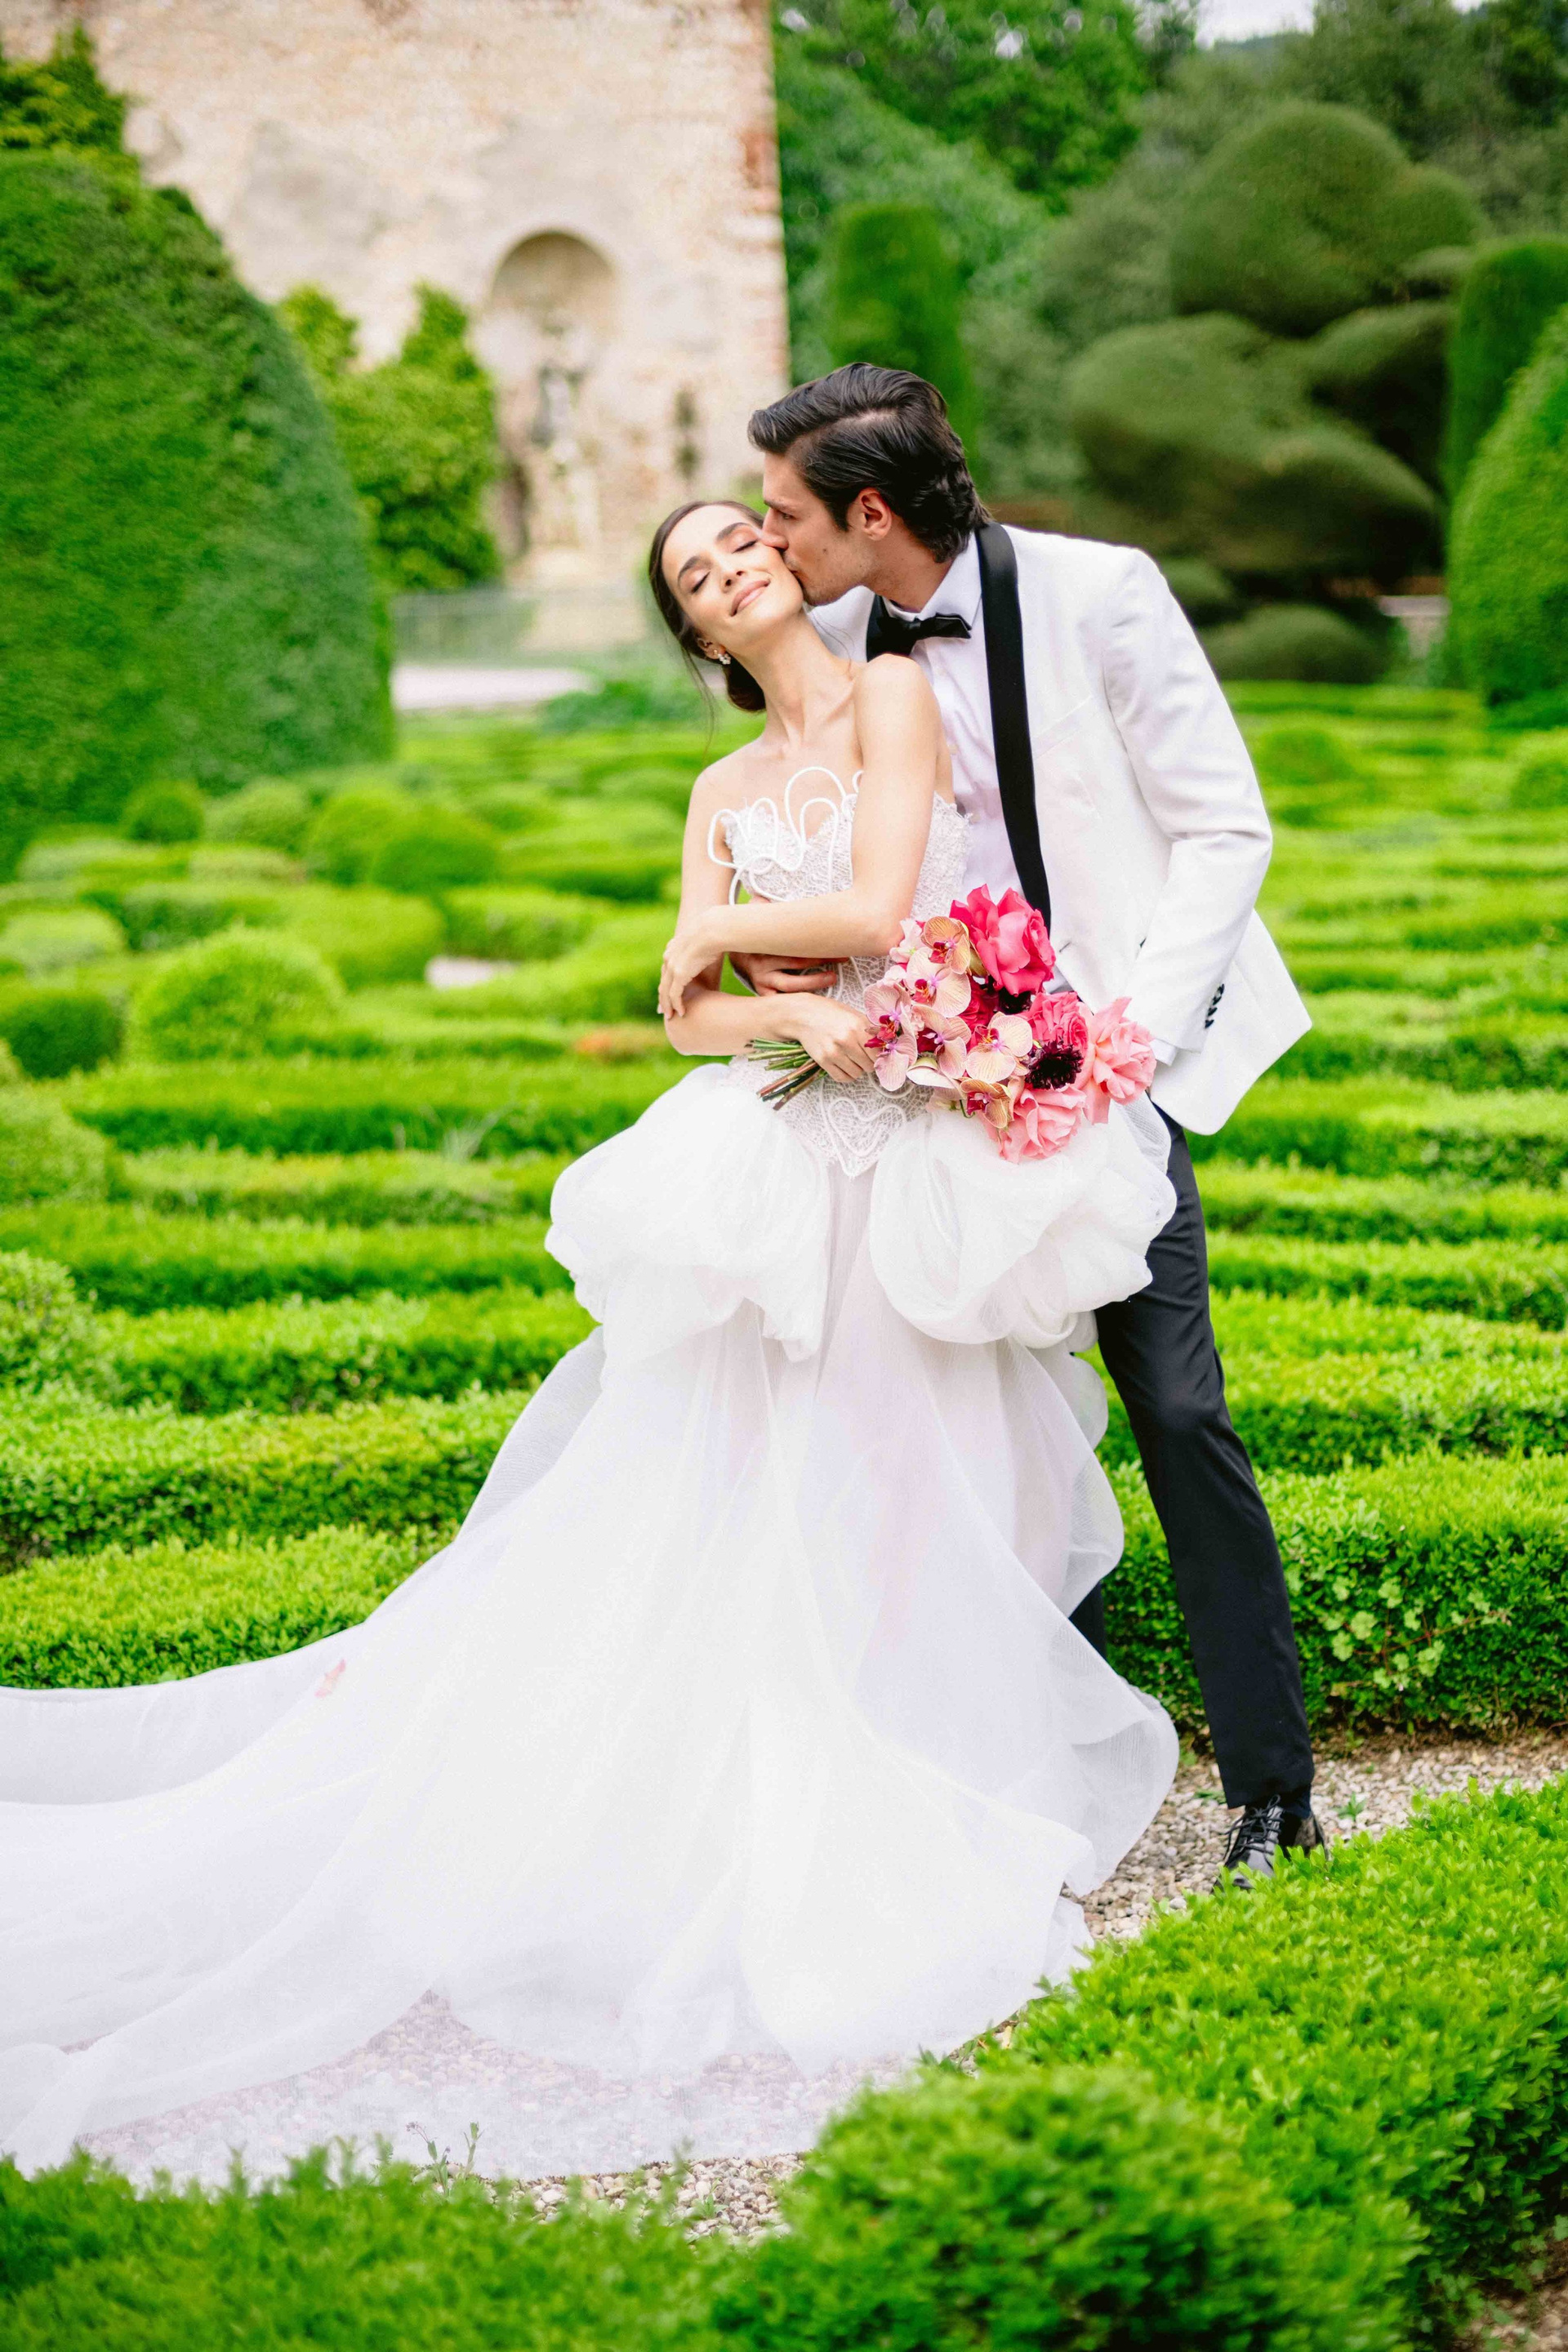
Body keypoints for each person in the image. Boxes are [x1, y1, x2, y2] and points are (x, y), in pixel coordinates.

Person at [0, 499, 1180, 2183]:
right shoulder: (718, 790)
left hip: (918, 1143)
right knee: (763, 1478)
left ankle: (920, 1752)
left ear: (786, 566)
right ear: (698, 635)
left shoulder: (892, 694)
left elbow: (882, 900)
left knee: (938, 1471)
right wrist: (767, 994)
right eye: (700, 576)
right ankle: (784, 1785)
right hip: (788, 1149)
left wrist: (722, 942)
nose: (736, 570)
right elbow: (688, 1019)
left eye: (744, 544)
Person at [740, 364, 1324, 1886]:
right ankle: (1028, 1785)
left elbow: (1227, 826)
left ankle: (1273, 1790)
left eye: (786, 513)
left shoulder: (1102, 596)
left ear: (872, 512)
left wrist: (1133, 1040)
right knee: (981, 1437)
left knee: (1177, 1411)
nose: (769, 538)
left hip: (1113, 1063)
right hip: (928, 1085)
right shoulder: (835, 644)